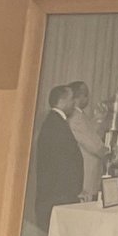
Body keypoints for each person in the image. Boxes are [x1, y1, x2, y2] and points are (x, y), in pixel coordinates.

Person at [29, 83, 83, 214]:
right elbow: (63, 162)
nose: (74, 104)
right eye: (71, 99)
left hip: (58, 194)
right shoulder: (56, 125)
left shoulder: (55, 121)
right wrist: (72, 192)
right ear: (63, 101)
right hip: (59, 196)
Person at [65, 84, 108, 198]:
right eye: (86, 95)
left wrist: (99, 118)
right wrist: (107, 152)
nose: (88, 99)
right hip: (86, 168)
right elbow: (91, 142)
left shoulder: (80, 115)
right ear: (80, 97)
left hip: (91, 168)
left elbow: (90, 131)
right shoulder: (75, 116)